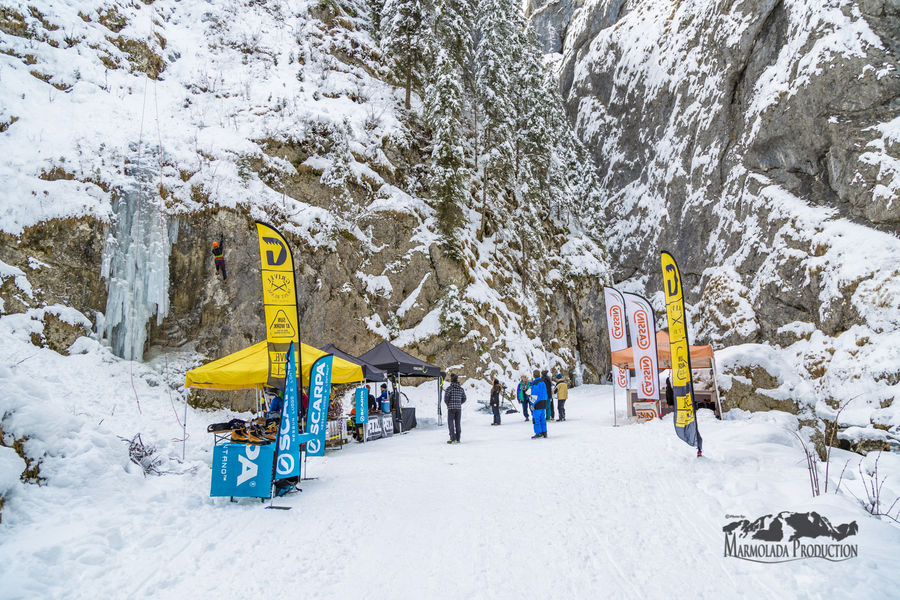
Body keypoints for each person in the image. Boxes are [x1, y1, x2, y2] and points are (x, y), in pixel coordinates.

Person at [443, 373, 466, 443]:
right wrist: (459, 403)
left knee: (451, 423)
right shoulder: (461, 389)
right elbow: (464, 398)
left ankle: (452, 438)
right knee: (458, 423)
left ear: (451, 380)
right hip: (458, 409)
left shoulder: (449, 389)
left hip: (451, 408)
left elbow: (445, 398)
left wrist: (448, 404)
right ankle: (458, 438)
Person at [530, 369, 548, 439]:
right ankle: (544, 432)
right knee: (542, 418)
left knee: (536, 419)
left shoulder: (535, 383)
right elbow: (545, 392)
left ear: (534, 375)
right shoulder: (543, 382)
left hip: (537, 403)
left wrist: (532, 403)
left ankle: (538, 433)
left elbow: (534, 395)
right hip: (544, 402)